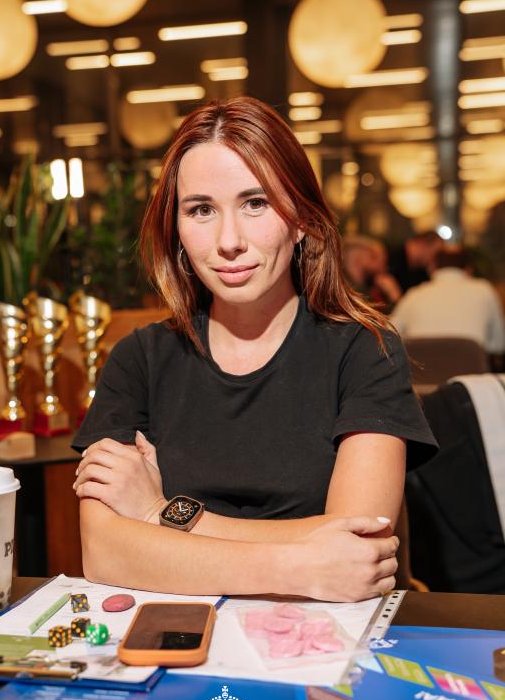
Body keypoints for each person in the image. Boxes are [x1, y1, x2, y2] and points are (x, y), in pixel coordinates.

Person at [72, 97, 437, 602]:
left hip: (320, 639)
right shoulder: (139, 360)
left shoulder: (364, 350)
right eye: (201, 209)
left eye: (256, 203)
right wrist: (304, 566)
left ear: (302, 219)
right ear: (176, 229)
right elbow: (103, 552)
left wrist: (160, 515)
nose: (229, 240)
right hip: (182, 636)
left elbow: (360, 548)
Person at [391, 248, 505, 355]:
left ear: (431, 268)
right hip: (470, 367)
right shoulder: (484, 290)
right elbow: (499, 344)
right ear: (469, 269)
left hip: (422, 368)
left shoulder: (414, 294)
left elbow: (390, 336)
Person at [342, 234, 402, 310]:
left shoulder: (362, 289)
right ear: (357, 259)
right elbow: (383, 317)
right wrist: (395, 296)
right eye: (374, 257)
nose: (383, 267)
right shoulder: (352, 296)